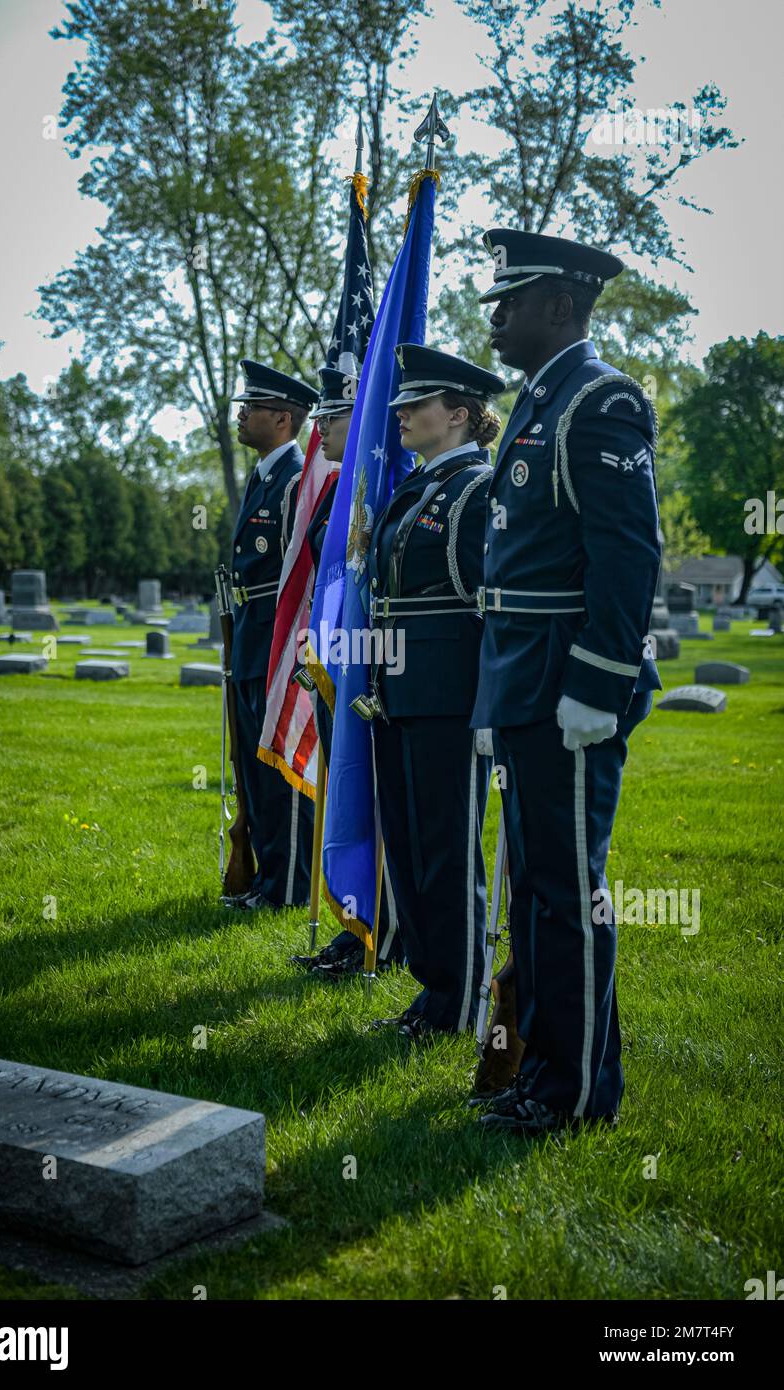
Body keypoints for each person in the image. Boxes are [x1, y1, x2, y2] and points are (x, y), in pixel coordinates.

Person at [470, 229, 662, 1132]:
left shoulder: (599, 399)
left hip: (566, 685)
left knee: (566, 890)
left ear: (559, 305)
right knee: (538, 889)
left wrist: (599, 679)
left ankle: (576, 1093)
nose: (495, 316)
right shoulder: (540, 402)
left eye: (509, 301)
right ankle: (543, 1070)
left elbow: (626, 555)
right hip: (522, 679)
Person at [360, 344, 506, 1040]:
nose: (400, 416)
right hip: (397, 688)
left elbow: (493, 605)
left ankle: (461, 999)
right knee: (412, 846)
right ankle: (432, 990)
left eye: (414, 405)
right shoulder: (415, 488)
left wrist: (489, 702)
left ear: (457, 415)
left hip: (451, 694)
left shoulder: (478, 490)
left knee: (447, 849)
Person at [289, 366, 404, 978]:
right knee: (346, 795)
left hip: (367, 662)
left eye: (329, 418)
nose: (319, 429)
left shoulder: (370, 482)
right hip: (336, 655)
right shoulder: (336, 487)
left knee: (372, 797)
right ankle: (355, 923)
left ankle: (382, 931)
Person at [222, 360, 318, 912]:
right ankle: (265, 878)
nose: (242, 415)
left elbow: (296, 576)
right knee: (253, 765)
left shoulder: (294, 483)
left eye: (252, 408)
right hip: (249, 636)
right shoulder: (264, 476)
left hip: (278, 639)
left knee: (279, 764)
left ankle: (286, 887)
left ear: (283, 419)